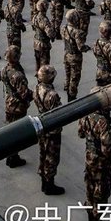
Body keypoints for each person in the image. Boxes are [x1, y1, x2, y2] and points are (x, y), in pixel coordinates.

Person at [79, 106, 111, 221]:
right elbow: (106, 149)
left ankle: (91, 219)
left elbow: (80, 133)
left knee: (90, 188)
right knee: (101, 192)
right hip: (101, 163)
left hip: (89, 158)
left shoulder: (85, 116)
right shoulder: (103, 123)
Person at [34, 64, 64, 195]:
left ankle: (43, 181)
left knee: (43, 153)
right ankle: (49, 185)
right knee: (51, 157)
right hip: (52, 130)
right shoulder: (52, 95)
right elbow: (58, 113)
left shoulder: (37, 88)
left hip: (42, 124)